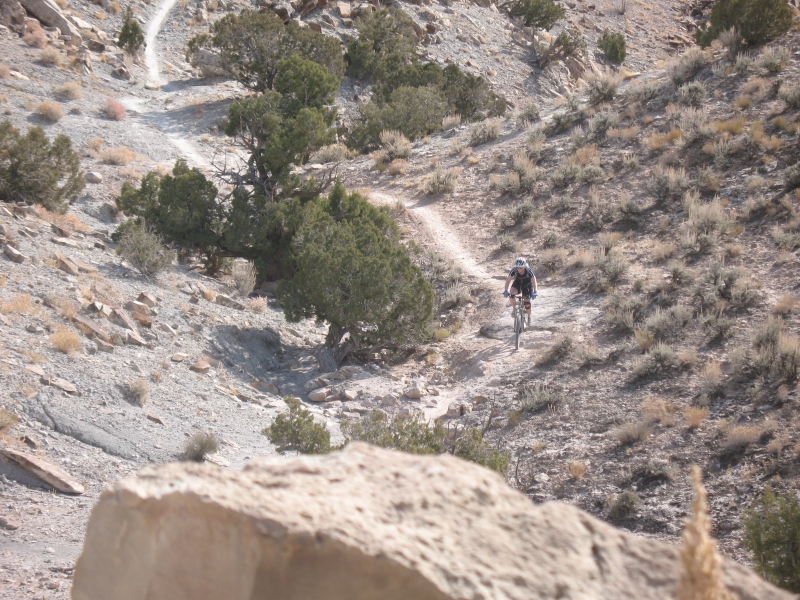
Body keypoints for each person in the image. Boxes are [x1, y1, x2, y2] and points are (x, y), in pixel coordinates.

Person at [503, 257, 538, 326]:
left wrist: (535, 291)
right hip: (517, 284)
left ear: (524, 266)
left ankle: (529, 317)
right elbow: (508, 281)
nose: (519, 269)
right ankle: (514, 309)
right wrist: (506, 290)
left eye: (521, 268)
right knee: (511, 294)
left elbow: (534, 282)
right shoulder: (514, 270)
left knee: (527, 302)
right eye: (517, 267)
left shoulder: (529, 271)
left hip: (527, 285)